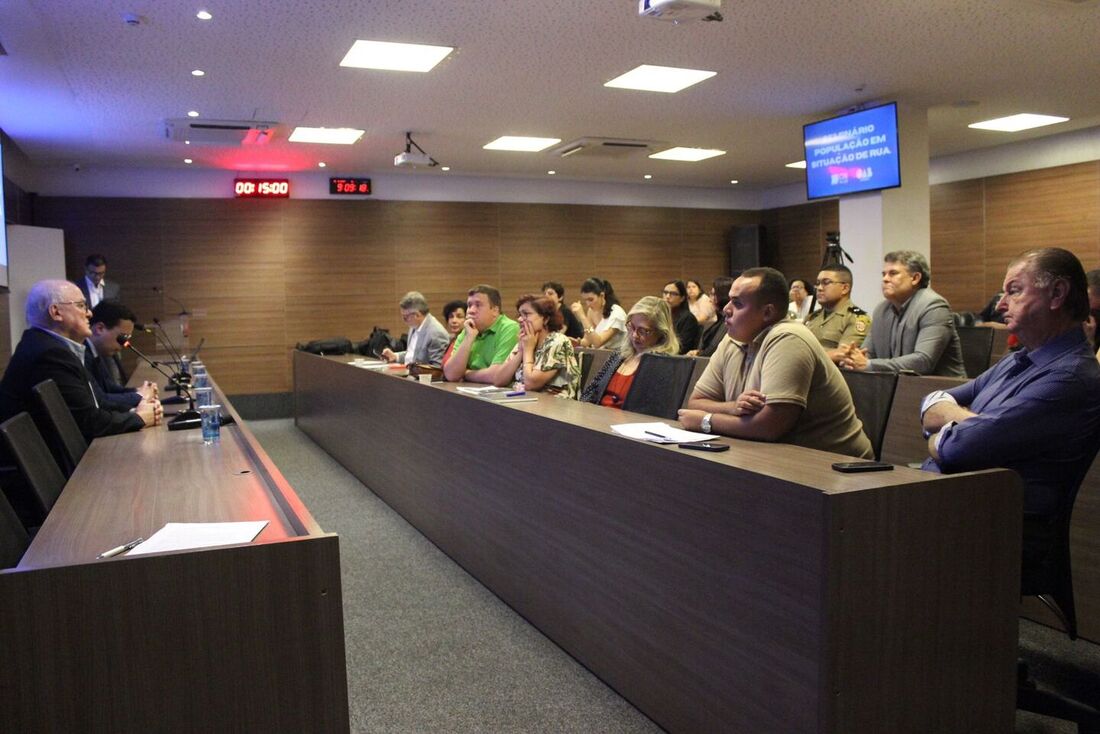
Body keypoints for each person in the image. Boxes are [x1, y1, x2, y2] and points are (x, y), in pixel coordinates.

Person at [921, 248, 1100, 517]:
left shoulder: (1070, 378)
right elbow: (931, 403)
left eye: (1014, 291)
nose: (1000, 305)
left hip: (1005, 537)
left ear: (1057, 294)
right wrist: (977, 423)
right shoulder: (1017, 359)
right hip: (957, 514)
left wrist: (942, 437)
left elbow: (957, 448)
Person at [678, 268, 873, 458]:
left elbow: (769, 427)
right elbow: (696, 403)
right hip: (782, 459)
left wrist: (705, 420)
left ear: (767, 313)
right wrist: (732, 407)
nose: (726, 309)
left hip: (840, 468)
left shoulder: (789, 337)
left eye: (737, 303)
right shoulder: (732, 339)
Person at [0, 280, 159, 445]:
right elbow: (90, 421)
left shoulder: (46, 345)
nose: (89, 313)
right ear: (56, 312)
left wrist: (135, 412)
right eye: (81, 306)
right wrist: (138, 417)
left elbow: (94, 404)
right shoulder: (50, 354)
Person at [840, 250, 966, 377]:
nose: (885, 279)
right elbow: (868, 354)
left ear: (915, 278)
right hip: (897, 387)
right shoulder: (881, 310)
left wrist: (868, 365)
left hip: (942, 390)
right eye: (883, 274)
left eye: (893, 273)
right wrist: (852, 359)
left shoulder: (934, 306)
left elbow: (923, 361)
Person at [580, 297, 679, 408]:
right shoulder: (618, 355)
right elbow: (590, 392)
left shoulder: (663, 365)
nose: (634, 335)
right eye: (631, 327)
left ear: (661, 332)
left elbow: (654, 410)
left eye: (643, 331)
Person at [487, 294, 581, 398]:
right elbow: (499, 380)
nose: (520, 319)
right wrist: (521, 352)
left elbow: (531, 384)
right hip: (525, 402)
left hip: (554, 407)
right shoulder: (526, 340)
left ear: (545, 319)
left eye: (526, 314)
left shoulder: (558, 341)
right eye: (519, 314)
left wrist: (527, 350)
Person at [86, 301, 158, 410]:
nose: (125, 344)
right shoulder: (83, 355)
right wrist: (140, 396)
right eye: (122, 338)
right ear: (100, 328)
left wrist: (138, 391)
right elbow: (100, 400)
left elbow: (110, 388)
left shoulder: (96, 352)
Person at [442, 285, 520, 383]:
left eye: (478, 305)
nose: (471, 310)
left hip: (500, 395)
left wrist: (465, 374)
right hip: (470, 392)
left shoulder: (509, 328)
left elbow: (495, 375)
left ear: (495, 311)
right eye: (469, 305)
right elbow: (451, 375)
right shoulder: (468, 329)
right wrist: (469, 337)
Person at [804, 265, 871, 364]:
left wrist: (805, 358)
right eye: (818, 283)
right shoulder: (813, 317)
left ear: (845, 288)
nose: (819, 288)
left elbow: (844, 354)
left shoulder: (857, 318)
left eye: (826, 283)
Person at [381, 291, 450, 367]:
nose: (403, 320)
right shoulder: (415, 326)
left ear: (417, 315)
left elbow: (436, 368)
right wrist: (395, 356)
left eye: (405, 317)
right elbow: (413, 356)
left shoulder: (436, 333)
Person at [570, 277, 627, 351]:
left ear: (602, 296)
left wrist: (582, 317)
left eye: (591, 300)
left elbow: (598, 342)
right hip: (602, 355)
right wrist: (578, 342)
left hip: (618, 357)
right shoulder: (591, 311)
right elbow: (588, 340)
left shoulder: (617, 314)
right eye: (585, 300)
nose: (588, 304)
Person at [688, 276, 734, 358]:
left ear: (722, 296)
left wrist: (699, 354)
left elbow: (714, 349)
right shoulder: (721, 319)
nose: (710, 299)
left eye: (713, 295)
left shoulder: (728, 321)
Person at [662, 280, 701, 355]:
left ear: (682, 298)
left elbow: (682, 347)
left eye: (673, 294)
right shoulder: (662, 315)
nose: (667, 296)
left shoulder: (688, 319)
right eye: (665, 292)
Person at [440, 299, 466, 365]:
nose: (454, 321)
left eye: (459, 316)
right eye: (451, 317)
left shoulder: (467, 342)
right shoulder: (452, 340)